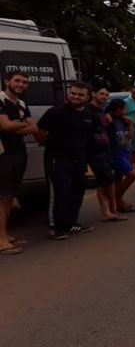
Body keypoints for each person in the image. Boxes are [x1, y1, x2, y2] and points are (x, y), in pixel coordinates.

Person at [37, 82, 95, 239]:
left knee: (78, 190)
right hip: (58, 159)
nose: (75, 97)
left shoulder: (88, 113)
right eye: (73, 93)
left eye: (80, 95)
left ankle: (71, 223)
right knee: (60, 193)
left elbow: (87, 136)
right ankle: (55, 227)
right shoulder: (56, 112)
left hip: (79, 160)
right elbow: (40, 131)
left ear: (87, 97)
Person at [0, 71, 39, 254]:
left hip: (18, 152)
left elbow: (35, 127)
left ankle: (4, 234)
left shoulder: (21, 103)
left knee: (9, 198)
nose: (21, 84)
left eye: (25, 82)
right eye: (17, 80)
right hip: (3, 155)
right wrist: (22, 124)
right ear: (7, 81)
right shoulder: (0, 100)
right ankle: (1, 241)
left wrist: (16, 124)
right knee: (2, 198)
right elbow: (6, 125)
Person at [87, 87, 121, 222]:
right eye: (101, 93)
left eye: (107, 95)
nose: (104, 96)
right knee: (107, 180)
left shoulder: (101, 110)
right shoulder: (88, 110)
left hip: (105, 149)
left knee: (104, 181)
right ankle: (110, 209)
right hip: (94, 150)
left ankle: (108, 211)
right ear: (94, 94)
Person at [106, 99, 135, 215]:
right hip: (115, 153)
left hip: (125, 150)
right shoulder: (108, 120)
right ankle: (117, 199)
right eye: (124, 109)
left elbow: (130, 136)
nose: (126, 111)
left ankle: (117, 201)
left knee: (118, 178)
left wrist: (130, 123)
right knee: (132, 175)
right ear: (118, 109)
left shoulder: (123, 121)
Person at [124, 86, 135, 171]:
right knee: (128, 148)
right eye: (134, 92)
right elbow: (122, 114)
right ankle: (129, 166)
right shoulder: (126, 102)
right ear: (131, 93)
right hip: (130, 128)